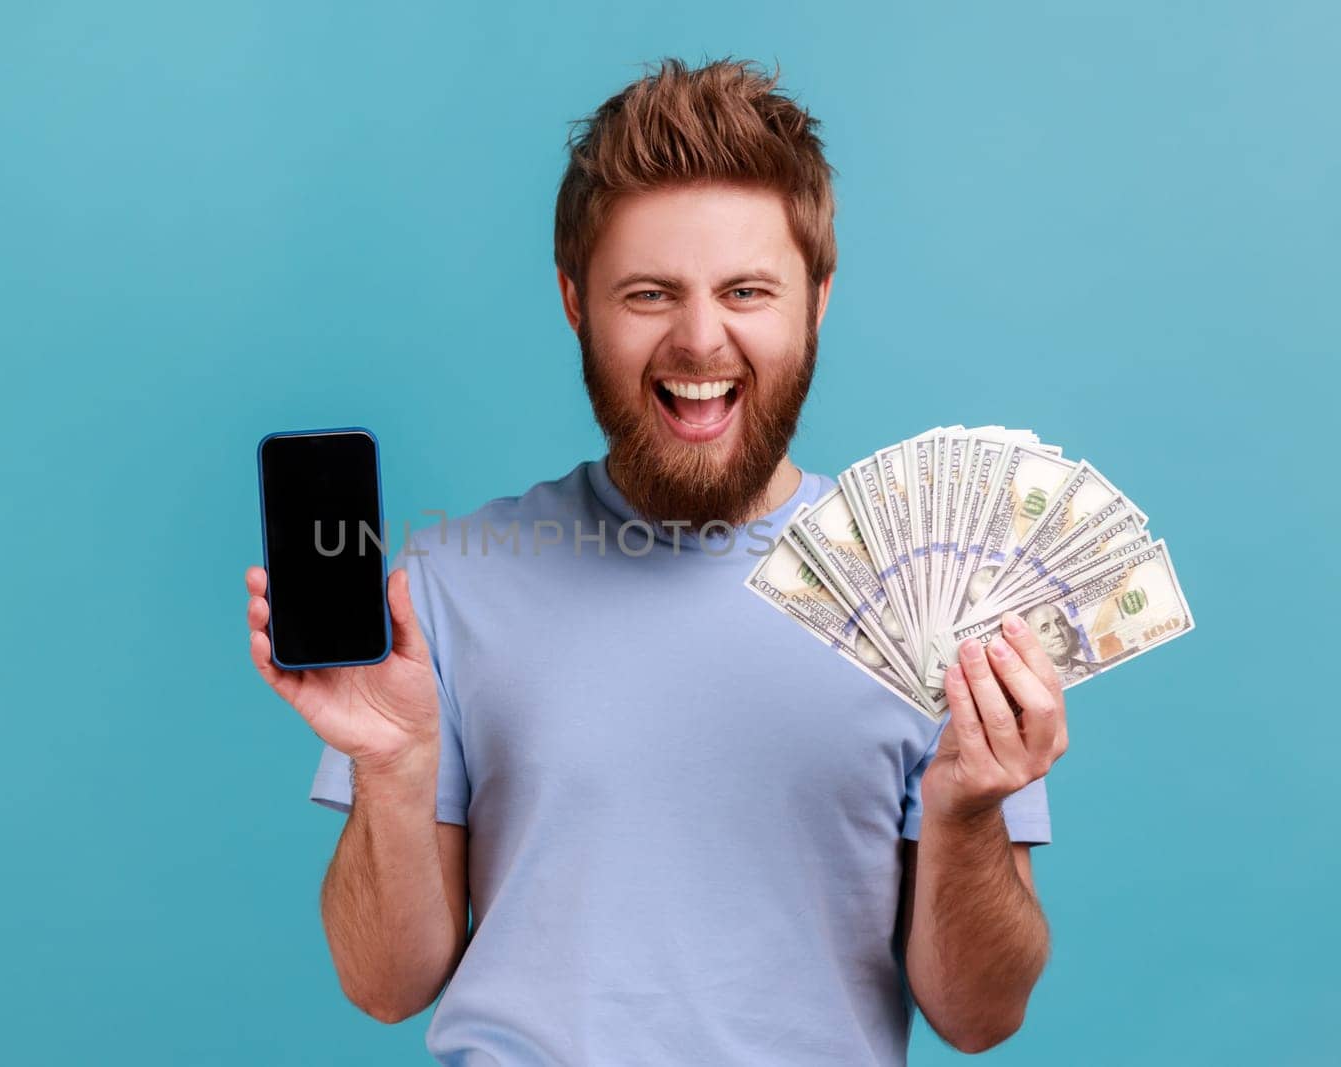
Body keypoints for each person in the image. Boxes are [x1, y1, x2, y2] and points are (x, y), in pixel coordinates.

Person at [246, 56, 1070, 1065]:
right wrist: (390, 767)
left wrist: (969, 809)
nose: (698, 338)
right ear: (573, 302)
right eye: (648, 293)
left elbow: (980, 1016)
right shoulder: (447, 588)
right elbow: (383, 986)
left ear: (816, 300)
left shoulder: (929, 598)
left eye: (746, 290)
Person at [1024, 602, 1096, 683]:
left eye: (1060, 623)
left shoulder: (1094, 668)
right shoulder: (1033, 683)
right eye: (1045, 629)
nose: (1058, 632)